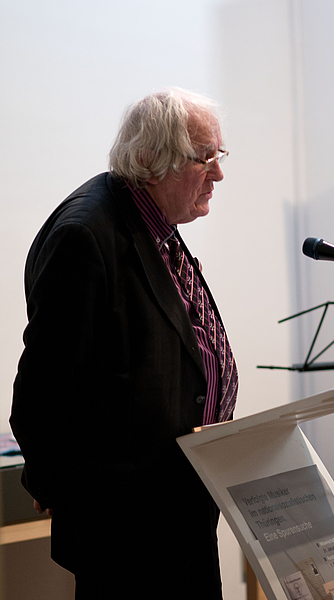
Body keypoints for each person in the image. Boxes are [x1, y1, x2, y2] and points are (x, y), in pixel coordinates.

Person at [10, 88, 239, 599]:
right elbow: (42, 389)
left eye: (219, 155)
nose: (218, 174)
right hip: (127, 525)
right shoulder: (85, 236)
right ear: (149, 162)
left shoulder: (153, 217)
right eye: (203, 159)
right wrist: (56, 486)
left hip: (183, 503)